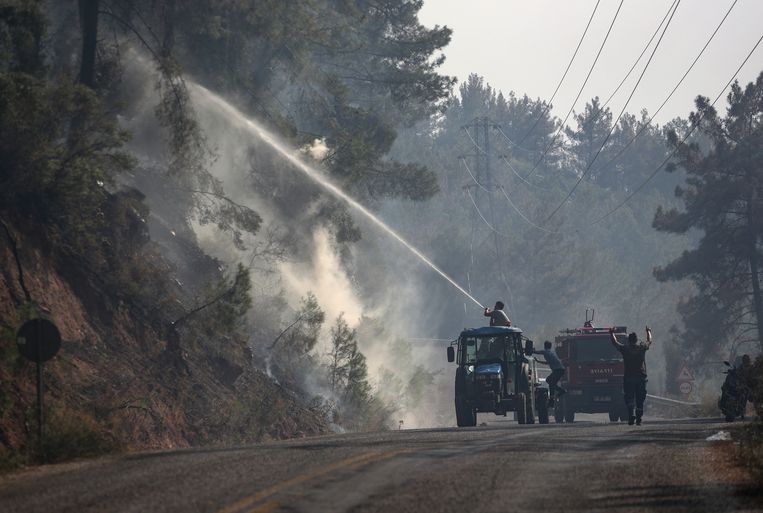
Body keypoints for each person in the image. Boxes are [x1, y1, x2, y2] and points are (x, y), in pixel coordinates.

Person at [610, 326, 652, 426]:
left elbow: (615, 343)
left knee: (629, 398)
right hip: (640, 378)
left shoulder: (625, 349)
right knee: (640, 399)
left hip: (629, 378)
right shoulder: (642, 348)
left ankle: (631, 415)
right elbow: (649, 341)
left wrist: (611, 333)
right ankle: (639, 419)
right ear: (636, 340)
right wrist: (648, 331)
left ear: (629, 340)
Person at [534, 340, 566, 406]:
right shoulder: (552, 353)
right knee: (548, 380)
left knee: (551, 383)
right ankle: (560, 391)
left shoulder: (545, 351)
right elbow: (548, 363)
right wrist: (538, 361)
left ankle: (552, 400)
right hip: (560, 370)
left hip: (558, 370)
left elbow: (537, 352)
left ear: (545, 346)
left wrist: (531, 350)